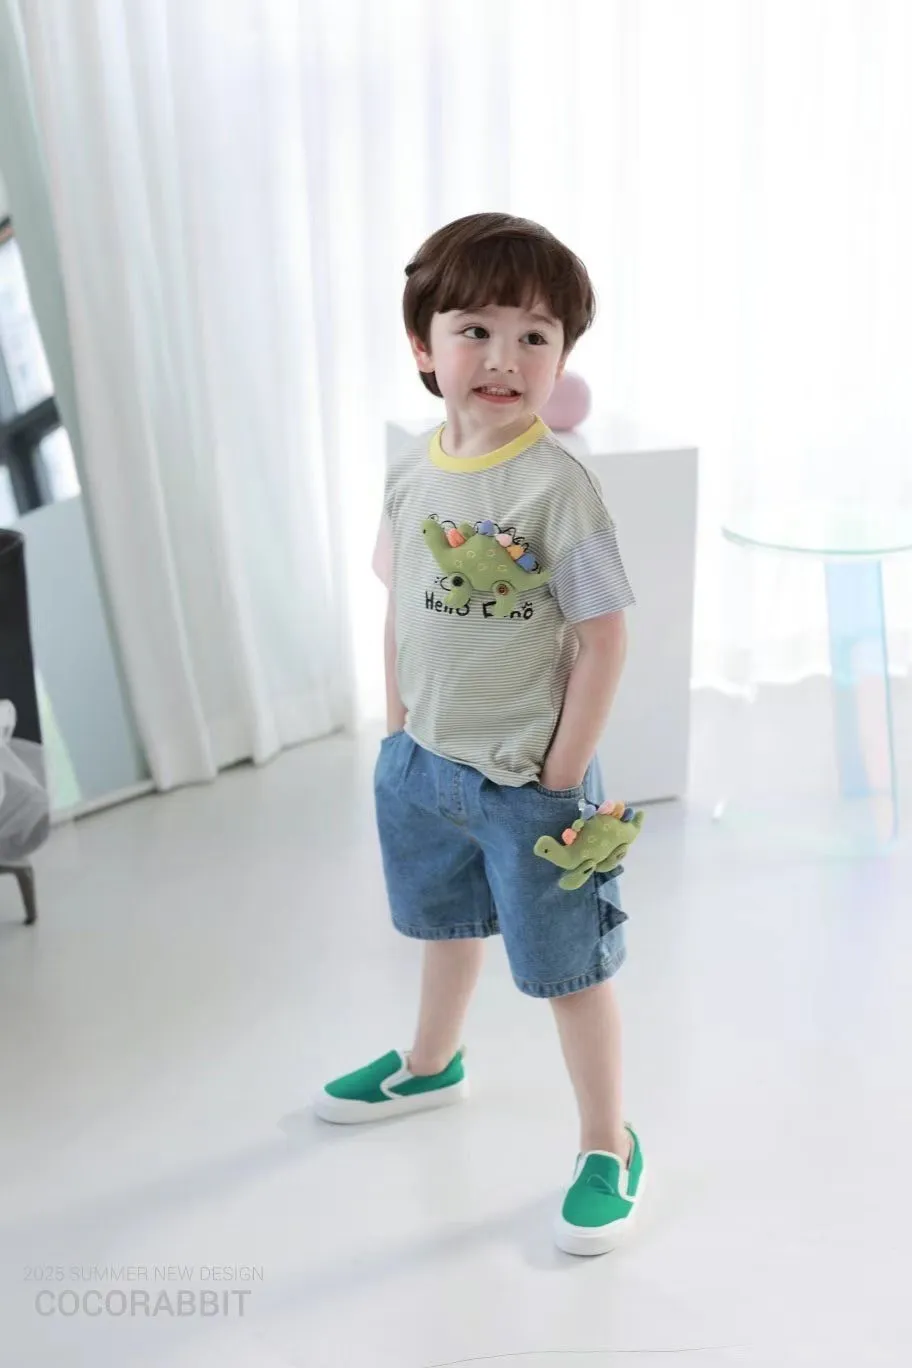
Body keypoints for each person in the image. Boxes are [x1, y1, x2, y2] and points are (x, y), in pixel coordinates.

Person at [314, 213, 643, 1256]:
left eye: (534, 336)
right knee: (444, 927)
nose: (504, 357)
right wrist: (397, 727)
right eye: (476, 330)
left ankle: (608, 1143)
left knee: (568, 973)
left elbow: (605, 639)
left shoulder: (560, 490)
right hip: (424, 766)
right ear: (424, 347)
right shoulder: (412, 473)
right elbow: (398, 605)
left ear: (562, 357)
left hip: (528, 786)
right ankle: (431, 1062)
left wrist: (561, 772)